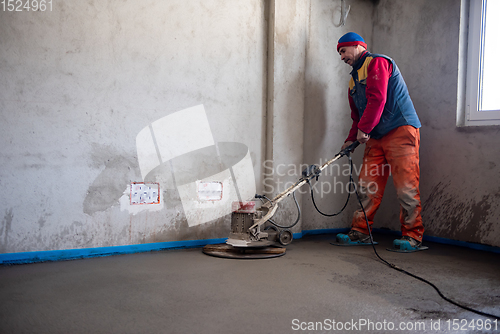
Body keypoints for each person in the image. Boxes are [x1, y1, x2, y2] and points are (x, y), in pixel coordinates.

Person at [335, 32, 425, 251]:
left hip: (400, 130)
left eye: (343, 51)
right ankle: (360, 232)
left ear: (357, 46)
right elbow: (357, 116)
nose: (341, 57)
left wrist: (364, 129)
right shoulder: (353, 81)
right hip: (376, 135)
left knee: (406, 187)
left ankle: (413, 236)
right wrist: (350, 140)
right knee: (368, 186)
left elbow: (378, 98)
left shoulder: (378, 62)